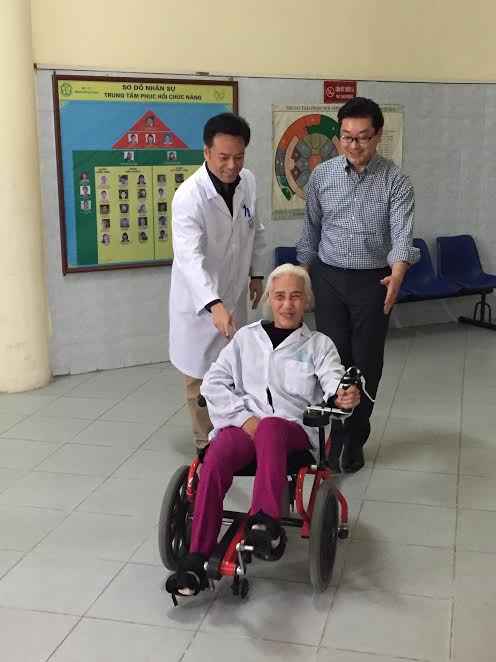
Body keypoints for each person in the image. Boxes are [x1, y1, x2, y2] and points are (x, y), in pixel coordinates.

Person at [165, 264, 360, 598]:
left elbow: (333, 380)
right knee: (216, 455)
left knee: (270, 427)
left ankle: (266, 524)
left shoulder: (318, 345)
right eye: (280, 296)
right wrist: (243, 419)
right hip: (246, 426)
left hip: (293, 432)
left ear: (307, 301)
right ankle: (196, 557)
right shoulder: (246, 338)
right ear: (269, 299)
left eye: (295, 297)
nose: (287, 304)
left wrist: (342, 394)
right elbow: (213, 382)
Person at [296, 97, 420, 474]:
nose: (353, 145)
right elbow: (310, 229)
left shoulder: (395, 181)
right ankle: (333, 436)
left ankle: (355, 439)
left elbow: (402, 235)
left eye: (362, 137)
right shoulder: (322, 175)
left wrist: (398, 272)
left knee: (365, 364)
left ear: (378, 135)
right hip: (329, 279)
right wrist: (301, 276)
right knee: (331, 360)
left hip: (374, 281)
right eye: (346, 137)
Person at [169, 112, 266, 454]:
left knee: (235, 371)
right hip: (199, 307)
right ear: (206, 152)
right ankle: (204, 447)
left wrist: (257, 273)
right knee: (199, 378)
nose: (231, 166)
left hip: (234, 293)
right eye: (223, 157)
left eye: (239, 157)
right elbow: (190, 259)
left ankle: (233, 436)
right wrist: (214, 304)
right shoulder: (189, 197)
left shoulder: (248, 181)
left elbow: (256, 230)